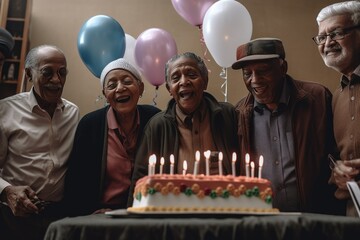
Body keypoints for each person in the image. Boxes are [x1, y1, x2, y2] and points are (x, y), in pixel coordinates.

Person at [232, 38, 344, 214]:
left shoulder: (317, 98)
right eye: (247, 73)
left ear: (282, 68)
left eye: (263, 71)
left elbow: (337, 153)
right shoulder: (239, 113)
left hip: (315, 220)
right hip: (263, 224)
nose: (255, 80)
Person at [129, 52, 239, 205]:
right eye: (175, 78)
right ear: (169, 88)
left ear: (205, 81)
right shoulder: (157, 126)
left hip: (225, 210)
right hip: (173, 214)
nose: (184, 82)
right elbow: (140, 180)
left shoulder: (228, 116)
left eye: (191, 75)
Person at [0, 45, 80, 239]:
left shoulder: (73, 113)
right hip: (11, 218)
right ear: (29, 74)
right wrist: (7, 191)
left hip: (57, 219)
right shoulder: (5, 111)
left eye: (62, 73)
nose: (56, 80)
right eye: (47, 73)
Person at [64, 58, 160, 216]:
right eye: (112, 85)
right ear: (105, 94)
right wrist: (90, 212)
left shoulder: (154, 118)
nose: (120, 88)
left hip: (146, 213)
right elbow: (77, 181)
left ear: (140, 88)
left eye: (127, 81)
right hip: (102, 215)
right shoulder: (90, 125)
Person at [314, 1, 360, 216]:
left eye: (337, 33)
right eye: (322, 37)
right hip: (352, 211)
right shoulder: (336, 97)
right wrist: (337, 171)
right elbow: (335, 155)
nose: (328, 43)